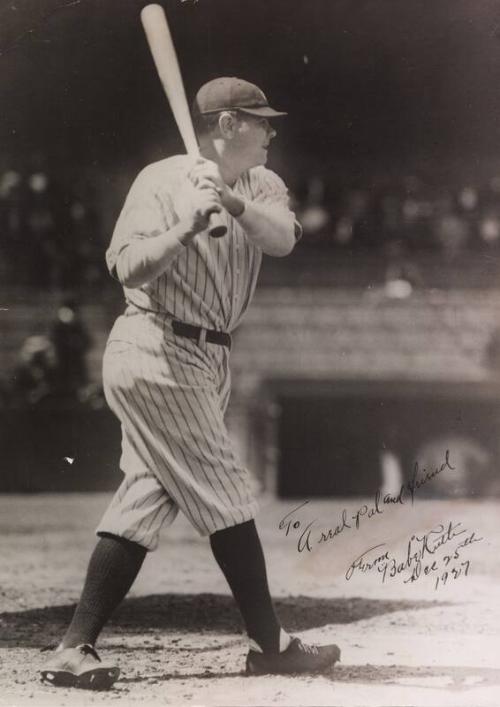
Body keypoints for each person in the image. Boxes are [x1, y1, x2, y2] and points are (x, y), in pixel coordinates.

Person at [40, 77, 340, 690]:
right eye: (259, 121)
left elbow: (281, 238)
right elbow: (124, 265)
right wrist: (183, 226)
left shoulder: (264, 183)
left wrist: (231, 205)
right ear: (226, 124)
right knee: (228, 491)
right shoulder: (160, 180)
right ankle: (268, 642)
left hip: (208, 356)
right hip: (155, 343)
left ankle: (74, 647)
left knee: (145, 500)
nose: (270, 131)